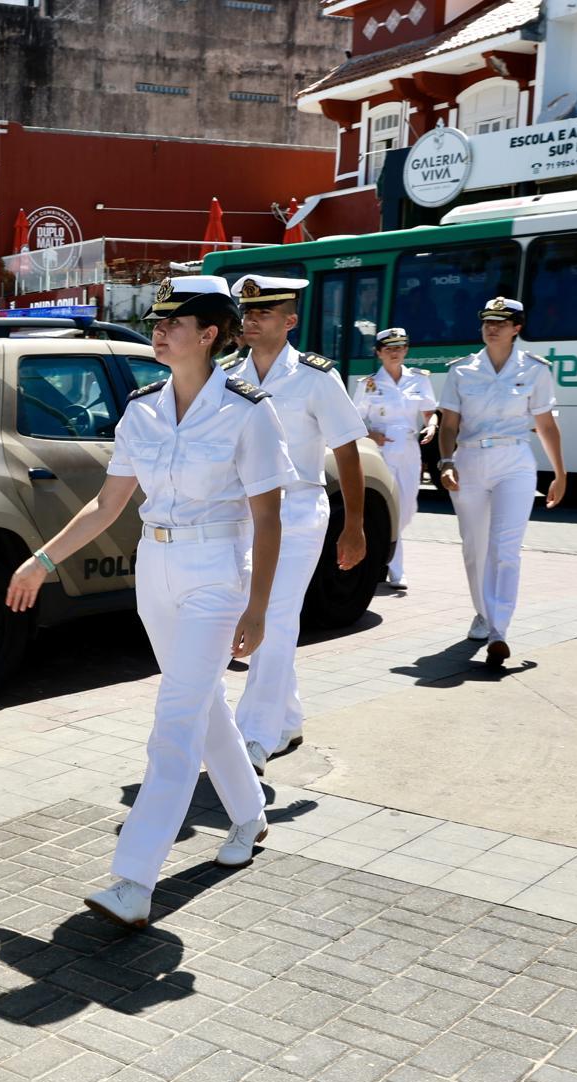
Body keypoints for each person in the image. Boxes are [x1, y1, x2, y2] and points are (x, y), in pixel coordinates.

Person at [8, 276, 292, 927]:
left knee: (173, 725)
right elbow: (108, 505)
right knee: (200, 704)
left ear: (210, 334)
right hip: (155, 567)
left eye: (174, 322)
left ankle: (133, 880)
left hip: (217, 571)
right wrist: (43, 558)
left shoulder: (249, 411)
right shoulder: (142, 409)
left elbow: (269, 518)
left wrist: (259, 609)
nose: (158, 330)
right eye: (157, 320)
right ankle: (249, 816)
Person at [224, 275, 367, 776]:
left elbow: (347, 450)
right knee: (257, 616)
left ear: (290, 321)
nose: (251, 319)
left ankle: (255, 737)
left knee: (273, 619)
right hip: (243, 516)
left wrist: (355, 527)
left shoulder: (315, 377)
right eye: (247, 310)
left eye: (263, 312)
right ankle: (286, 718)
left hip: (299, 512)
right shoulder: (226, 375)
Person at [435, 297, 566, 666]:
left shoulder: (537, 370)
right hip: (470, 461)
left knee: (506, 548)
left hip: (515, 461)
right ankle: (483, 612)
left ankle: (499, 630)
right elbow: (448, 424)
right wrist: (446, 462)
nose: (492, 328)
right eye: (487, 322)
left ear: (517, 329)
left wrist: (560, 473)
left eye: (501, 323)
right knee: (474, 547)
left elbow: (546, 425)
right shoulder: (461, 370)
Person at [353, 328, 435, 590]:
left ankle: (382, 555)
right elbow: (353, 419)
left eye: (399, 347)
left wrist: (431, 425)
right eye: (389, 348)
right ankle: (395, 569)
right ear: (379, 353)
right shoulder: (368, 384)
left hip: (410, 449)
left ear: (406, 350)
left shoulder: (419, 380)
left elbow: (429, 412)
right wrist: (370, 433)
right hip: (382, 451)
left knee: (408, 508)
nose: (395, 352)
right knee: (389, 508)